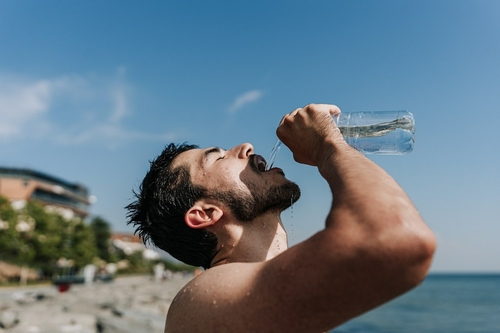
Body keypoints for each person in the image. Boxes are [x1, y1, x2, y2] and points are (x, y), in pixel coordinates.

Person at [126, 104, 436, 333]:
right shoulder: (200, 301)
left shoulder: (264, 293)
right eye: (218, 157)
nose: (245, 146)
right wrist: (328, 145)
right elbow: (396, 239)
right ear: (206, 213)